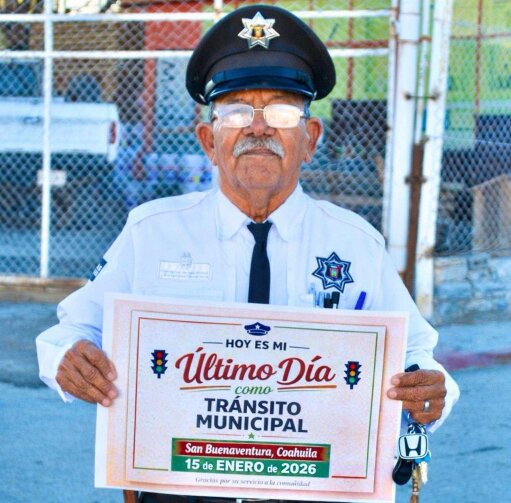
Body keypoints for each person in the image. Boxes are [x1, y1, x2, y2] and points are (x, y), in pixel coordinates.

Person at [36, 4, 459, 503]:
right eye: (236, 111)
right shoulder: (151, 232)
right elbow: (70, 332)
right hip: (181, 489)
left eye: (281, 112)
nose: (258, 128)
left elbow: (416, 354)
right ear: (208, 141)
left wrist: (431, 389)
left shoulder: (355, 243)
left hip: (316, 490)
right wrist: (66, 359)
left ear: (310, 139)